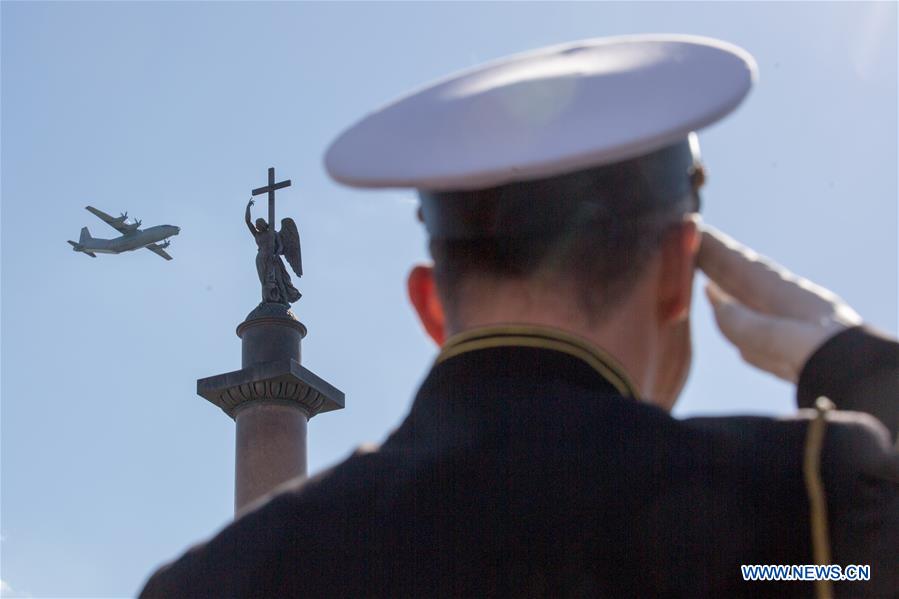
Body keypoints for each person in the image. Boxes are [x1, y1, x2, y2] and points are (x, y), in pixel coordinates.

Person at [141, 35, 897, 598]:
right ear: (677, 271)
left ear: (428, 303)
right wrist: (858, 367)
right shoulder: (800, 516)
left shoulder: (218, 580)